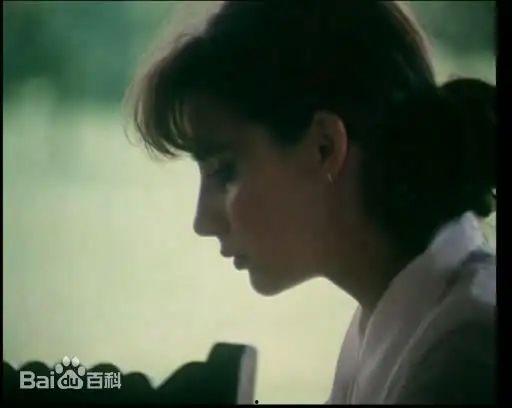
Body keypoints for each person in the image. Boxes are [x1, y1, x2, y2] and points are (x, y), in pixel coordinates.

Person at [125, 1, 496, 404]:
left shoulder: (464, 354)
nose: (202, 221)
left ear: (324, 147)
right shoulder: (387, 320)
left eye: (225, 171)